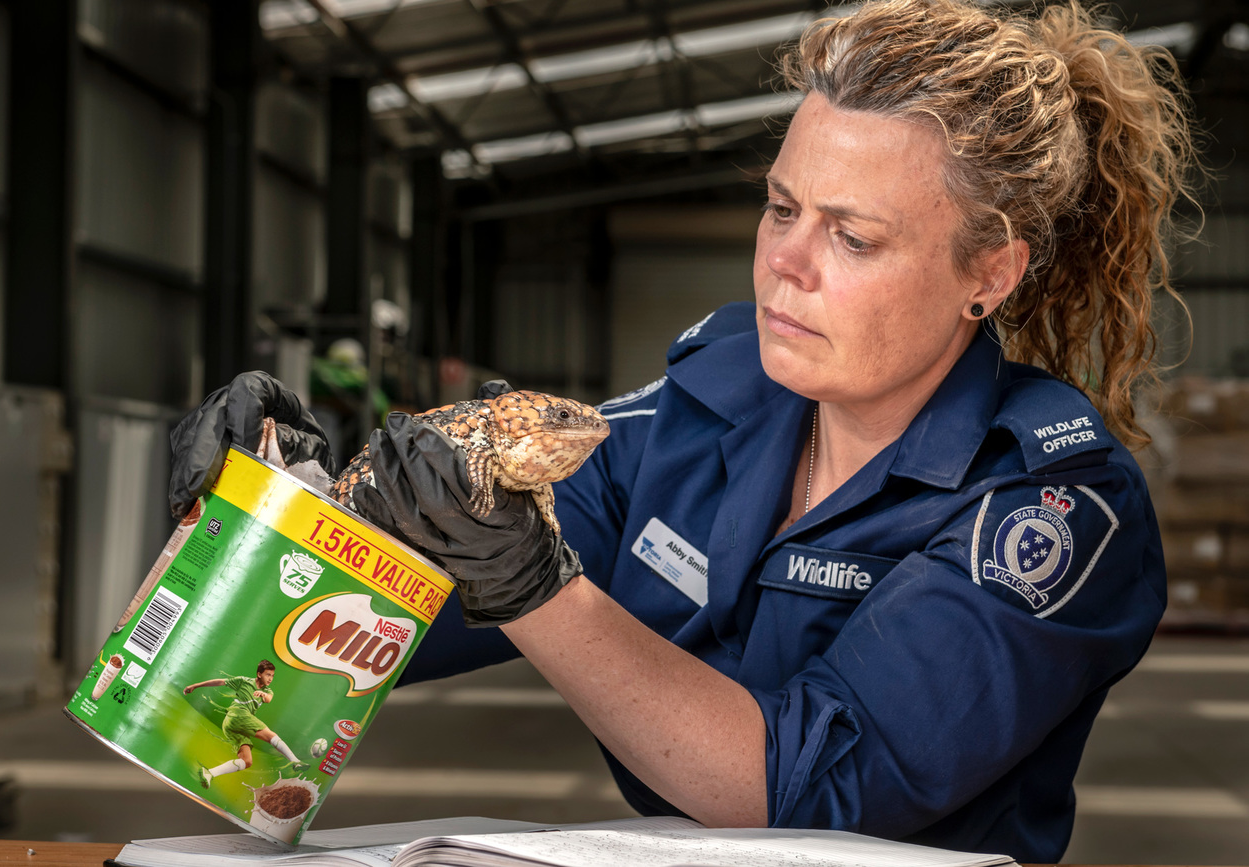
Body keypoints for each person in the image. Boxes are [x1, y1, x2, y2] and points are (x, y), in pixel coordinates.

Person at [167, 0, 1202, 860]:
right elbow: (351, 616)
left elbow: (803, 795)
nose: (785, 264)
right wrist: (263, 518)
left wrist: (532, 584)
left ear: (989, 273)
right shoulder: (697, 417)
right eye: (780, 207)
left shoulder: (1047, 506)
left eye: (851, 235)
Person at [183, 660, 307, 787]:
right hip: (238, 714)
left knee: (246, 761)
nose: (270, 679)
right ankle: (296, 761)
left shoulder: (268, 691)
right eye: (268, 675)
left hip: (231, 726)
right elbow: (220, 681)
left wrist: (263, 694)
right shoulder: (244, 681)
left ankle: (209, 773)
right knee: (271, 735)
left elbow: (268, 699)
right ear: (259, 674)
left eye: (272, 676)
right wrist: (195, 686)